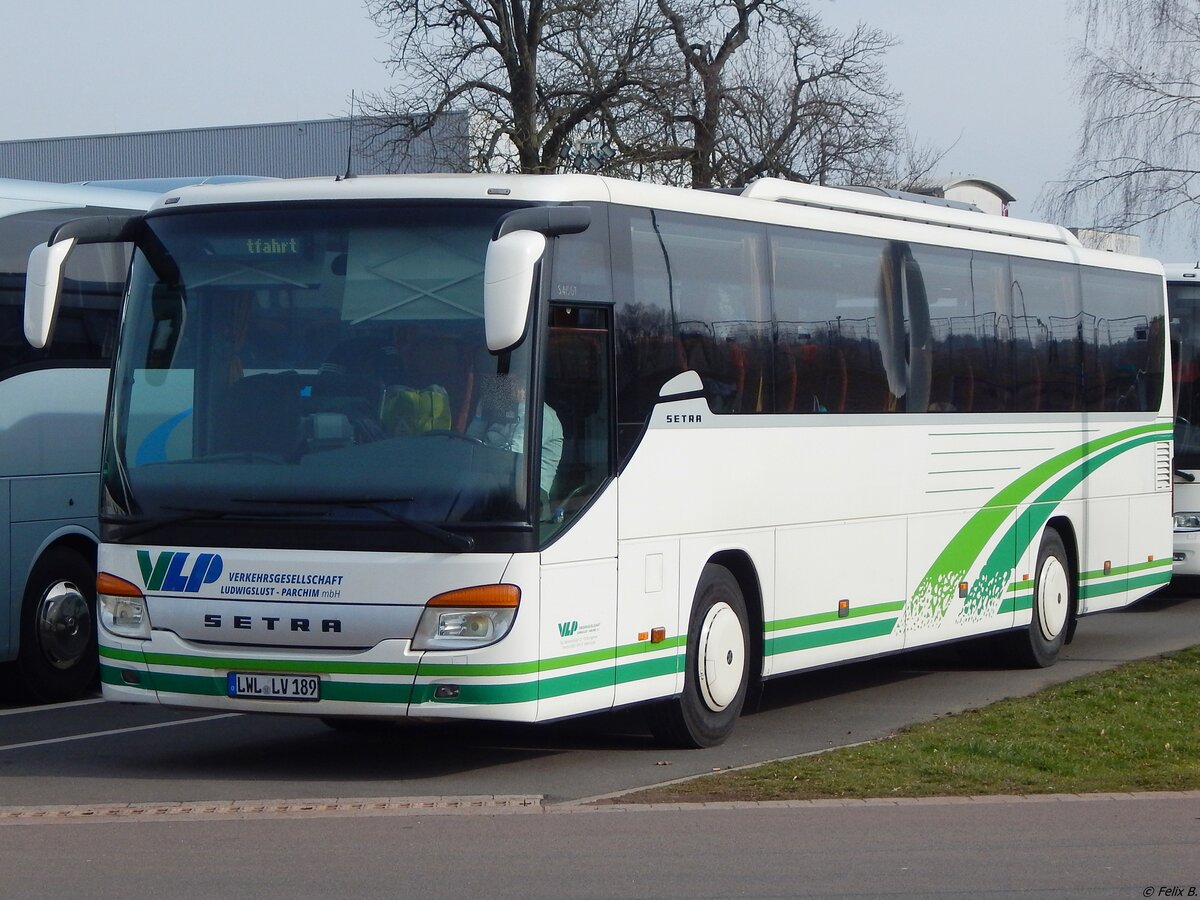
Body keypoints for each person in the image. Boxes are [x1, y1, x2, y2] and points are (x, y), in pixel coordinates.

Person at [467, 374, 563, 502]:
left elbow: (514, 457)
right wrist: (480, 417)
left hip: (528, 493)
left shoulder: (540, 414)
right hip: (494, 485)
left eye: (512, 384)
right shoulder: (504, 413)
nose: (504, 389)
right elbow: (468, 448)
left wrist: (523, 404)